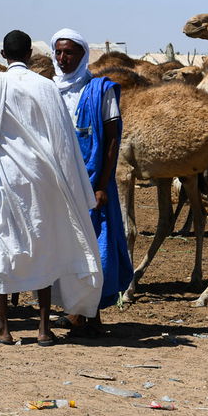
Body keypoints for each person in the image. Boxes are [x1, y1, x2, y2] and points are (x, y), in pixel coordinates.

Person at [0, 30, 101, 345]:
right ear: (30, 54)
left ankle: (4, 328)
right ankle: (44, 329)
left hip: (5, 177)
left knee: (2, 246)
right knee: (41, 245)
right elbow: (63, 139)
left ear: (4, 55)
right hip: (42, 178)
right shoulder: (47, 87)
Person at [51, 28, 133, 334]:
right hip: (60, 182)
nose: (63, 59)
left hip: (92, 180)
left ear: (82, 55)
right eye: (58, 52)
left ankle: (91, 313)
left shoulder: (101, 90)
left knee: (95, 248)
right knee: (65, 247)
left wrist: (101, 184)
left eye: (69, 53)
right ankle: (75, 311)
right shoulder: (49, 89)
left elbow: (112, 140)